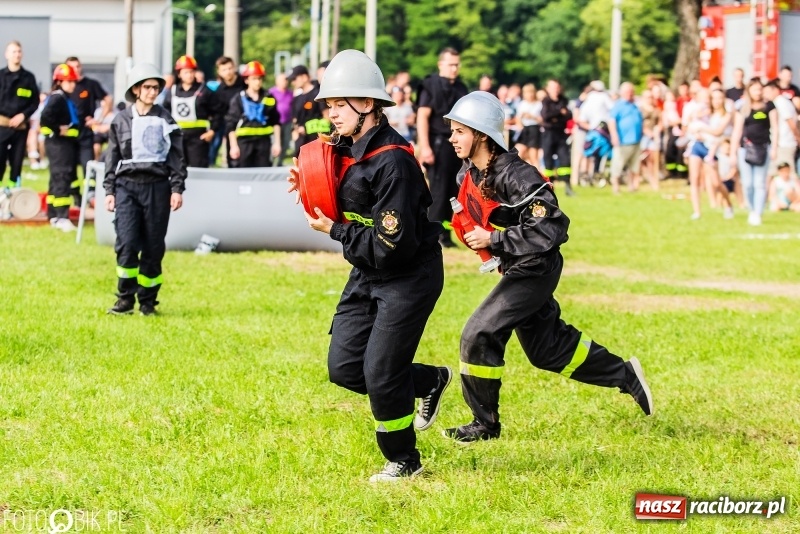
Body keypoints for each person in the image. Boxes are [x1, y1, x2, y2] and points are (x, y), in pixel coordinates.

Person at [439, 91, 652, 443]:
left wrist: (495, 242)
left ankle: (484, 425)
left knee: (478, 333)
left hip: (536, 267)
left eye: (459, 131)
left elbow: (552, 227)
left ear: (480, 134)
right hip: (516, 265)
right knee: (547, 350)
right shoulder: (472, 172)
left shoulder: (518, 175)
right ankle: (624, 374)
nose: (452, 138)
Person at [287, 50, 451, 482]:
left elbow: (391, 246)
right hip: (367, 269)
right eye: (329, 104)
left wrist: (335, 230)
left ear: (369, 105)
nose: (331, 113)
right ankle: (430, 380)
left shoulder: (393, 161)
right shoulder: (349, 146)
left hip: (408, 275)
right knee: (344, 368)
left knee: (381, 372)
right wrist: (307, 180)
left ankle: (403, 460)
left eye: (341, 104)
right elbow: (340, 184)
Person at [104, 63, 186, 316]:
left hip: (157, 188)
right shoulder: (120, 120)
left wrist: (177, 188)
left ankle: (148, 302)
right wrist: (109, 190)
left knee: (153, 245)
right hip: (126, 187)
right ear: (136, 89)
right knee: (127, 243)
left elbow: (176, 156)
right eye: (148, 87)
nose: (153, 92)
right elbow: (112, 156)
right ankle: (125, 299)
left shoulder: (166, 119)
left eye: (156, 88)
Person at [415, 47, 469, 247]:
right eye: (451, 64)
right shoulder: (430, 85)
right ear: (441, 64)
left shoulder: (461, 88)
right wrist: (425, 147)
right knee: (438, 191)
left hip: (458, 147)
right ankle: (433, 235)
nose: (454, 69)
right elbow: (423, 117)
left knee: (454, 192)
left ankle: (446, 235)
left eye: (457, 64)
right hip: (438, 144)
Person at [728, 79, 778, 226]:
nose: (758, 92)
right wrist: (733, 152)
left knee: (759, 183)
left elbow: (775, 128)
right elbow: (737, 131)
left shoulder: (769, 106)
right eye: (754, 89)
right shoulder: (743, 107)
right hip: (746, 149)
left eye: (759, 89)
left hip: (763, 148)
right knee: (748, 184)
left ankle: (758, 212)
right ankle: (751, 209)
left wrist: (774, 147)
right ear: (749, 91)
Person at [40, 64, 81, 232]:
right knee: (61, 177)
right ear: (59, 81)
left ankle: (53, 214)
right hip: (59, 145)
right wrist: (59, 130)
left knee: (57, 178)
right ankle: (61, 217)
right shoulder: (58, 98)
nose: (72, 85)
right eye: (69, 81)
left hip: (61, 145)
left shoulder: (62, 97)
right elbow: (45, 118)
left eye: (73, 81)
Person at [65, 56, 109, 204]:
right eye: (72, 67)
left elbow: (108, 99)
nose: (75, 70)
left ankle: (91, 196)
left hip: (85, 133)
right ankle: (76, 197)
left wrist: (99, 119)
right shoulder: (64, 87)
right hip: (68, 134)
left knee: (88, 165)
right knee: (69, 167)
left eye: (78, 66)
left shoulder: (90, 84)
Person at [163, 55, 219, 168]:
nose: (189, 75)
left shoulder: (204, 91)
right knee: (177, 171)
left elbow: (217, 113)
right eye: (186, 72)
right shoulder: (172, 92)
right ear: (179, 74)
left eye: (191, 72)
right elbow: (165, 114)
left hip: (198, 140)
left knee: (199, 171)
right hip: (177, 139)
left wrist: (212, 131)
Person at [226, 61, 281, 167]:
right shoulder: (238, 99)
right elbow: (231, 125)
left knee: (264, 174)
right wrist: (233, 146)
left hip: (264, 143)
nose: (257, 82)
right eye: (254, 79)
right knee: (244, 175)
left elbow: (276, 122)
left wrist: (277, 143)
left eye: (260, 78)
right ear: (247, 80)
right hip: (244, 143)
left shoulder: (269, 98)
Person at [0, 40, 38, 188]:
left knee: (16, 164)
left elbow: (34, 102)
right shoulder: (1, 76)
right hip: (2, 128)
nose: (17, 54)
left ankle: (14, 194)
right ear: (7, 54)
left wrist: (23, 115)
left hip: (20, 129)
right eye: (13, 51)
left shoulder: (28, 78)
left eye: (19, 51)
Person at [209, 56, 246, 167]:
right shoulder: (220, 91)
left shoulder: (245, 84)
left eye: (230, 68)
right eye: (224, 70)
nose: (228, 72)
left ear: (234, 67)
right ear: (219, 72)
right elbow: (218, 113)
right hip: (231, 130)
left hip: (248, 129)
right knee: (234, 162)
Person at [540, 79, 574, 195]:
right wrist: (560, 112)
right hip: (549, 134)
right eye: (553, 88)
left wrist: (556, 115)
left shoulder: (563, 100)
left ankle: (568, 187)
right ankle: (548, 188)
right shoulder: (546, 101)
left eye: (557, 87)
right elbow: (546, 116)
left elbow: (569, 115)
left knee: (565, 160)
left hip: (560, 133)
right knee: (548, 162)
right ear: (548, 89)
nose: (555, 90)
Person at [608, 82, 643, 194]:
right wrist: (614, 135)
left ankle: (631, 186)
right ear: (622, 93)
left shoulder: (634, 105)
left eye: (632, 91)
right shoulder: (618, 106)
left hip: (635, 140)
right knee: (618, 164)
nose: (631, 94)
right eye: (628, 92)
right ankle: (616, 188)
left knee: (633, 166)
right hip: (623, 141)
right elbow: (611, 121)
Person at [289, 64, 330, 156]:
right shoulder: (296, 99)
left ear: (304, 77)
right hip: (301, 144)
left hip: (317, 142)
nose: (293, 83)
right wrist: (294, 133)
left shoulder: (318, 95)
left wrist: (307, 127)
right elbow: (294, 120)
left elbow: (328, 119)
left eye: (295, 79)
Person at [269, 72, 294, 166]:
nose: (285, 82)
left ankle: (279, 162)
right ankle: (271, 161)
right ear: (277, 81)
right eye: (283, 79)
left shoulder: (290, 93)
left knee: (286, 142)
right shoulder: (271, 92)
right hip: (275, 123)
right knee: (274, 142)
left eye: (286, 80)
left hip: (287, 121)